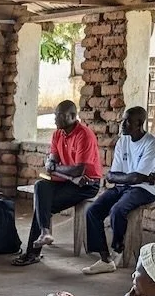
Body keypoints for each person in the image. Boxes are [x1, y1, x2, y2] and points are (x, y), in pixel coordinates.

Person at [12, 101, 102, 267]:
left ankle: (33, 252)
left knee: (43, 205)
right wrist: (62, 171)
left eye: (59, 115)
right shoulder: (57, 135)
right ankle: (44, 233)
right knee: (40, 186)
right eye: (55, 115)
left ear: (72, 116)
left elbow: (78, 170)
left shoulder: (84, 135)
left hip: (87, 184)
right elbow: (51, 165)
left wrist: (57, 169)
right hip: (66, 180)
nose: (55, 119)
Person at [81, 106, 155, 275]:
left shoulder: (152, 143)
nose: (122, 124)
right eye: (123, 120)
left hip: (145, 189)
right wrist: (131, 177)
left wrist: (131, 178)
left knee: (117, 210)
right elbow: (113, 175)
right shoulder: (123, 141)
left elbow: (135, 178)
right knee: (92, 211)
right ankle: (105, 259)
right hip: (123, 187)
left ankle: (117, 248)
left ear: (139, 123)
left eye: (127, 121)